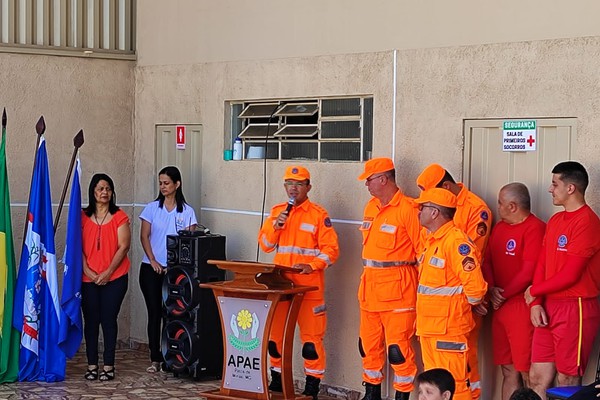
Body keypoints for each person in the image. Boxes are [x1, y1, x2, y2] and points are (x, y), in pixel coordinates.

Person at [258, 165, 339, 400]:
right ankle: (277, 380)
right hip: (281, 287)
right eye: (289, 184)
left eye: (299, 184)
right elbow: (265, 245)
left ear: (308, 187)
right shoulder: (276, 213)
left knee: (311, 343)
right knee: (276, 339)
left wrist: (312, 265)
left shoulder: (318, 215)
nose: (293, 188)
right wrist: (276, 227)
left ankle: (312, 387)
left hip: (309, 288)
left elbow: (331, 250)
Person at [525, 161, 600, 399]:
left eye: (555, 183)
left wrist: (534, 290)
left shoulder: (587, 222)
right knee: (536, 376)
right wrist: (536, 301)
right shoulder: (556, 221)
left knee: (567, 379)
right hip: (548, 305)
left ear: (570, 188)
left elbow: (571, 275)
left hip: (575, 307)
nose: (550, 189)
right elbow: (542, 263)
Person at [417, 164, 493, 400]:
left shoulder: (455, 242)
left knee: (455, 387)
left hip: (448, 329)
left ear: (434, 212)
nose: (417, 212)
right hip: (431, 328)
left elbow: (476, 287)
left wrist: (461, 309)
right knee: (433, 388)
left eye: (422, 208)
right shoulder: (433, 241)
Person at [357, 157, 422, 400]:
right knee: (368, 347)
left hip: (398, 294)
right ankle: (371, 393)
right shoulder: (370, 207)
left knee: (399, 351)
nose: (367, 185)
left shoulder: (409, 209)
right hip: (369, 291)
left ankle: (402, 395)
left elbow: (421, 253)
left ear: (383, 179)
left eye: (369, 180)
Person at [481, 183, 546, 400]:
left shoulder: (535, 228)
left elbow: (529, 271)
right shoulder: (499, 227)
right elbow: (487, 259)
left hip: (521, 307)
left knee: (527, 372)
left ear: (512, 206)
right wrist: (491, 289)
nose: (496, 206)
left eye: (500, 202)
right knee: (508, 371)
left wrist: (502, 294)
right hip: (500, 307)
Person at [139, 166, 197, 373]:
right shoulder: (152, 208)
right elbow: (144, 235)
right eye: (161, 183)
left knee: (172, 315)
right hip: (151, 269)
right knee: (154, 312)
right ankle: (154, 357)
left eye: (167, 183)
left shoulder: (187, 212)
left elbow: (189, 242)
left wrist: (174, 267)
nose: (163, 187)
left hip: (175, 273)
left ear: (177, 185)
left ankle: (170, 357)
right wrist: (153, 260)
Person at [81, 174, 131, 382]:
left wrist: (107, 273)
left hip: (115, 278)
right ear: (93, 191)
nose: (105, 192)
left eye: (108, 188)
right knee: (91, 321)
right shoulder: (82, 217)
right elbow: (77, 249)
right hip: (88, 278)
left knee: (108, 320)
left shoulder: (120, 216)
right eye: (101, 188)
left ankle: (108, 365)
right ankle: (92, 364)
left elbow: (123, 246)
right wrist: (89, 272)